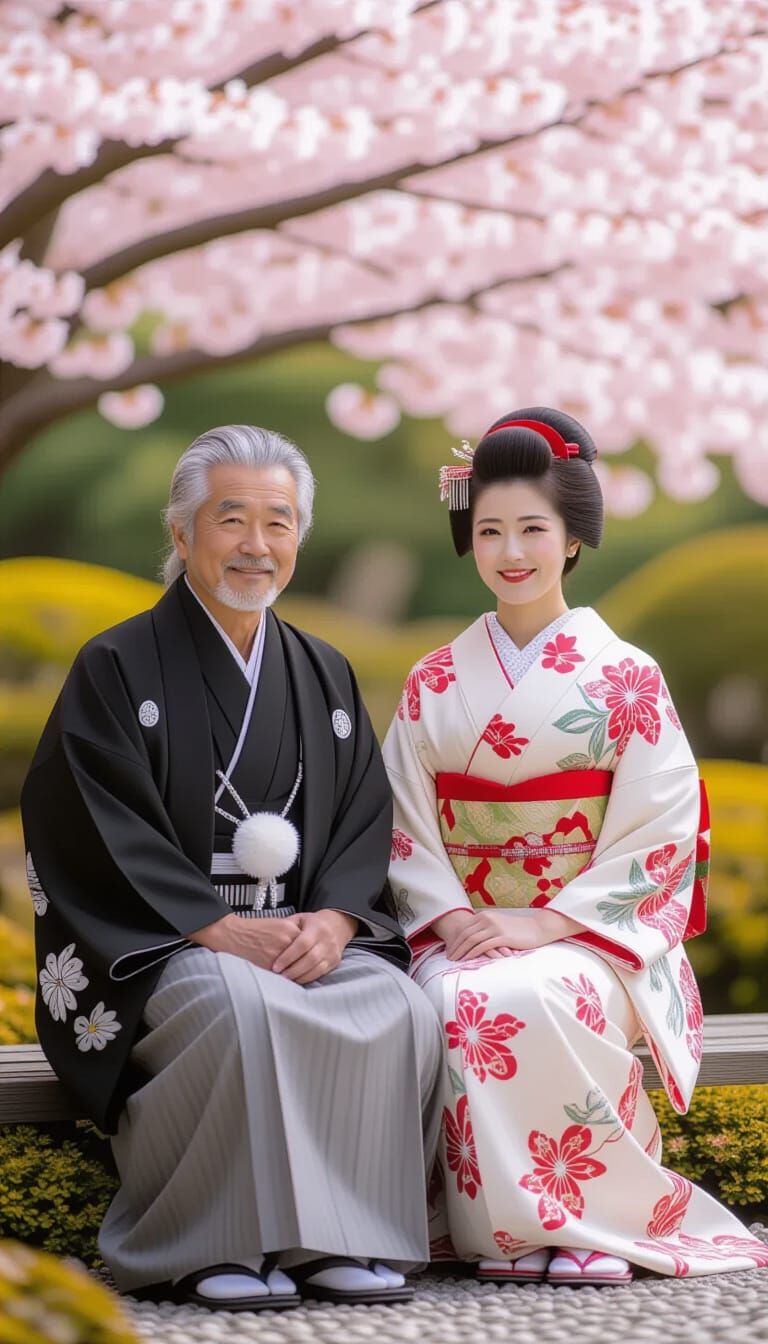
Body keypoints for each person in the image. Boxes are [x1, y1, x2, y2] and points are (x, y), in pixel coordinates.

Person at [22, 425, 443, 1311]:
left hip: (296, 931)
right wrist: (213, 927)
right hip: (166, 942)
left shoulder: (323, 671)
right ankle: (206, 1242)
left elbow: (365, 816)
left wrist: (334, 921)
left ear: (300, 538)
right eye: (232, 519)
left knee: (394, 1002)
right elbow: (87, 821)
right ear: (182, 535)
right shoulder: (116, 664)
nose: (257, 545)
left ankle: (340, 1236)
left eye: (279, 522)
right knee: (235, 1000)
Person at [383, 408, 768, 1284]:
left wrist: (549, 922)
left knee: (534, 991)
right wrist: (449, 917)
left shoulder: (625, 674)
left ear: (571, 540)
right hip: (464, 929)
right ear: (467, 540)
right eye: (488, 530)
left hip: (592, 937)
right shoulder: (434, 679)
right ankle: (508, 1232)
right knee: (457, 1001)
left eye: (531, 529)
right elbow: (402, 821)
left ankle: (593, 1220)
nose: (509, 550)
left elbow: (660, 824)